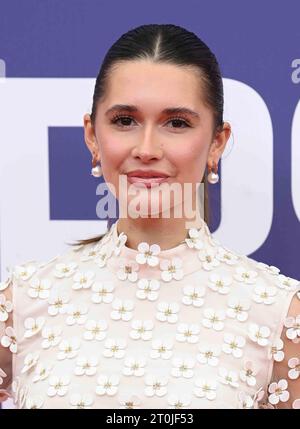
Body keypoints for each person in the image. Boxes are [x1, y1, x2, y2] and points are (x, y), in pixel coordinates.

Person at [1, 23, 299, 409]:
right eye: (125, 120)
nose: (146, 148)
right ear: (92, 135)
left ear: (217, 142)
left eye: (177, 123)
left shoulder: (279, 313)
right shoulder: (23, 301)